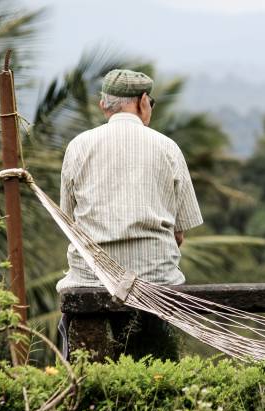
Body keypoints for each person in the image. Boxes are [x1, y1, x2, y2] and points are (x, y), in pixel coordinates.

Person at [56, 69, 203, 359]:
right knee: (156, 353)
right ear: (144, 101)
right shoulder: (168, 147)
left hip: (90, 278)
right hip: (155, 280)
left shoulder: (78, 146)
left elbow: (68, 222)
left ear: (103, 105)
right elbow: (179, 234)